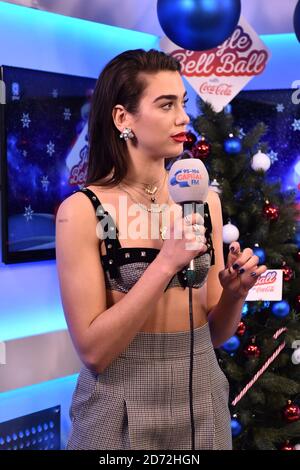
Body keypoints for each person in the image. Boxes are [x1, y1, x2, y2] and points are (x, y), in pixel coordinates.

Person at [55, 49, 267, 450]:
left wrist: (236, 295)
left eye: (182, 103)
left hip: (202, 400)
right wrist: (166, 262)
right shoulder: (82, 211)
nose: (183, 117)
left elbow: (218, 334)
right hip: (117, 405)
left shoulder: (206, 203)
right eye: (166, 104)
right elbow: (94, 352)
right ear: (123, 119)